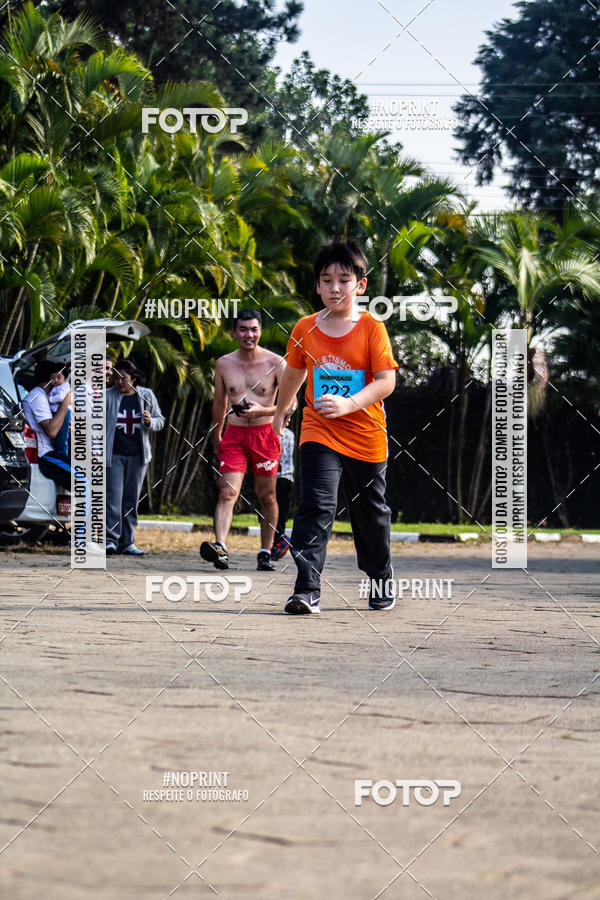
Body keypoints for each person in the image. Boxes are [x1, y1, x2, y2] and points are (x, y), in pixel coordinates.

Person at [272, 240, 398, 614]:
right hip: (319, 429)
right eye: (326, 280)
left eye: (344, 280)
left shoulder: (372, 327)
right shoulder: (305, 327)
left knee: (370, 513)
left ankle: (380, 577)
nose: (335, 288)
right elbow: (294, 372)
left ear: (360, 284)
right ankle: (306, 589)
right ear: (317, 286)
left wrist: (350, 404)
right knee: (315, 505)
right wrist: (281, 411)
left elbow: (386, 381)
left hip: (366, 434)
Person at [199, 308, 285, 572]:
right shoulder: (224, 364)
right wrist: (217, 433)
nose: (249, 334)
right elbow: (219, 402)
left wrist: (263, 411)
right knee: (227, 491)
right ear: (234, 332)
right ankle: (221, 548)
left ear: (260, 331)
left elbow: (290, 404)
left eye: (254, 329)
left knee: (266, 495)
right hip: (234, 435)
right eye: (244, 329)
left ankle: (265, 552)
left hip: (265, 435)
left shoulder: (276, 363)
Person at [106, 359, 164, 556]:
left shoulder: (146, 395)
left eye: (123, 378)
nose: (119, 382)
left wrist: (150, 422)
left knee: (131, 500)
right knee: (113, 498)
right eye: (116, 378)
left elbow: (160, 421)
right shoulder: (107, 396)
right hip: (113, 455)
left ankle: (127, 542)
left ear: (134, 378)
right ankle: (110, 540)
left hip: (138, 457)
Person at [23, 360, 72, 489]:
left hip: (49, 452)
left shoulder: (42, 396)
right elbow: (51, 431)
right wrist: (66, 403)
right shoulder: (38, 396)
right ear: (50, 378)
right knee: (84, 480)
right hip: (45, 455)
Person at [270, 408, 295, 560]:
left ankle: (280, 539)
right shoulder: (291, 434)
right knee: (283, 514)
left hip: (276, 477)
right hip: (289, 478)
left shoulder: (273, 434)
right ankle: (277, 543)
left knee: (272, 512)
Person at [48, 365, 71, 457]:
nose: (56, 380)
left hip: (63, 413)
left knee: (62, 436)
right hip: (56, 412)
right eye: (53, 378)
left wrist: (49, 399)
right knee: (57, 435)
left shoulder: (64, 386)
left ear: (65, 378)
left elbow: (61, 397)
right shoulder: (56, 387)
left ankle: (62, 454)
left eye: (58, 378)